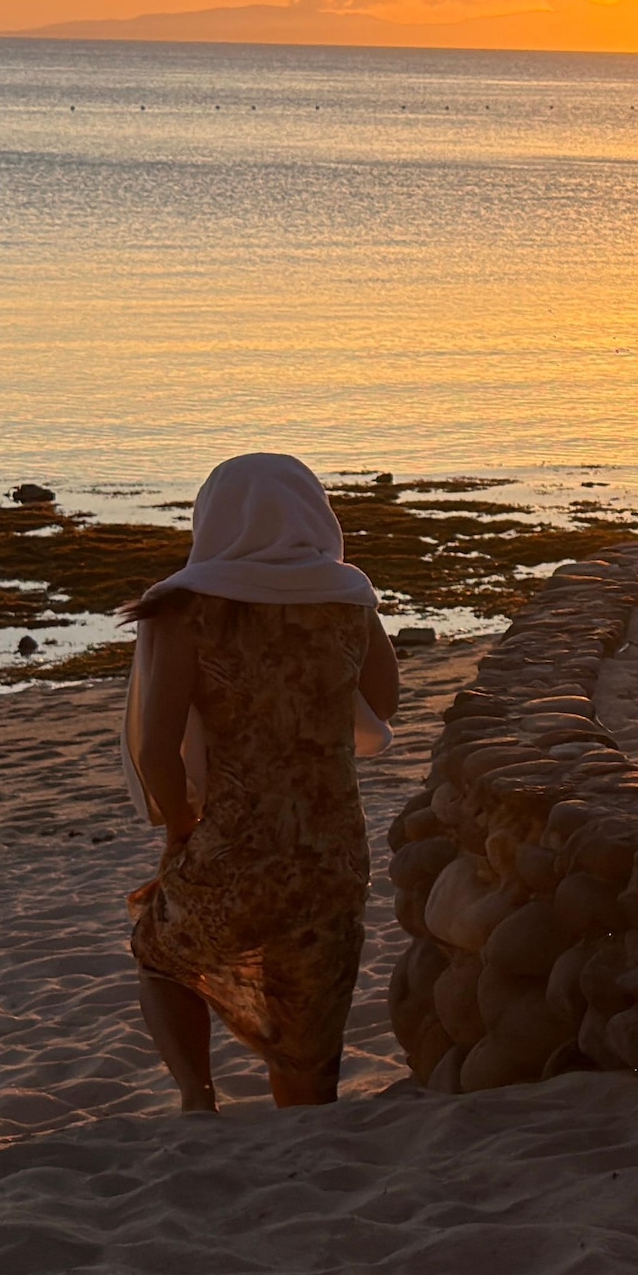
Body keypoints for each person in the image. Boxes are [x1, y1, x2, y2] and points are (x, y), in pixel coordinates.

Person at [122, 451, 402, 1109]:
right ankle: (303, 1136)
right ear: (314, 512)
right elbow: (384, 701)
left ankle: (198, 1098)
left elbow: (157, 750)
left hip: (236, 851)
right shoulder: (347, 598)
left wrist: (180, 832)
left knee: (160, 949)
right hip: (332, 854)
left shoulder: (185, 610)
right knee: (306, 1044)